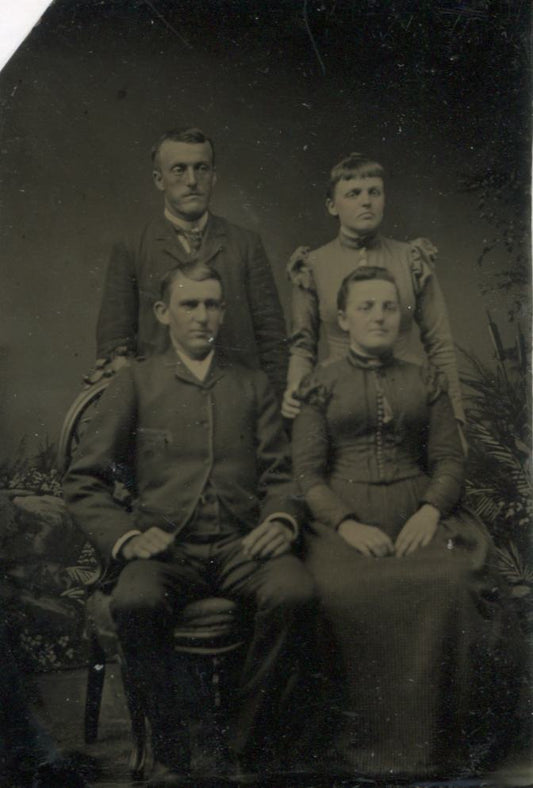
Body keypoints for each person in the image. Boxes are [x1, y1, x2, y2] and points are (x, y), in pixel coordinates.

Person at [64, 265, 315, 787]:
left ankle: (245, 747)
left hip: (242, 544)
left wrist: (283, 517)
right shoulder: (137, 380)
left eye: (211, 305)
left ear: (223, 311)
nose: (202, 316)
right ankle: (173, 753)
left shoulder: (250, 382)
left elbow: (281, 473)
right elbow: (84, 481)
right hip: (165, 552)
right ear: (164, 313)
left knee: (294, 592)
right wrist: (128, 538)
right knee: (134, 603)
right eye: (189, 304)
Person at [291, 266, 519, 778]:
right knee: (337, 590)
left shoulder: (426, 379)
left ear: (403, 316)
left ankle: (441, 749)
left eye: (389, 307)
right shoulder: (319, 384)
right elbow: (306, 473)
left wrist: (431, 510)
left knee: (452, 581)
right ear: (344, 318)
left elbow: (449, 460)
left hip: (419, 510)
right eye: (366, 307)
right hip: (342, 519)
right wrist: (346, 524)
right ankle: (360, 750)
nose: (379, 316)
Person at [93, 127, 288, 400]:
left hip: (236, 402)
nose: (192, 180)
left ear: (214, 176)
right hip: (160, 405)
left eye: (202, 168)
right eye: (179, 170)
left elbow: (272, 338)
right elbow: (115, 340)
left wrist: (272, 406)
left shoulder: (245, 243)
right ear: (159, 179)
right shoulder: (132, 246)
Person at [282, 153, 465, 425]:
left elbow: (441, 346)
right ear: (332, 206)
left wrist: (455, 416)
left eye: (374, 192)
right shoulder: (313, 266)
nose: (366, 201)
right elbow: (303, 347)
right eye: (353, 193)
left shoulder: (411, 258)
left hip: (409, 397)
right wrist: (295, 392)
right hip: (339, 400)